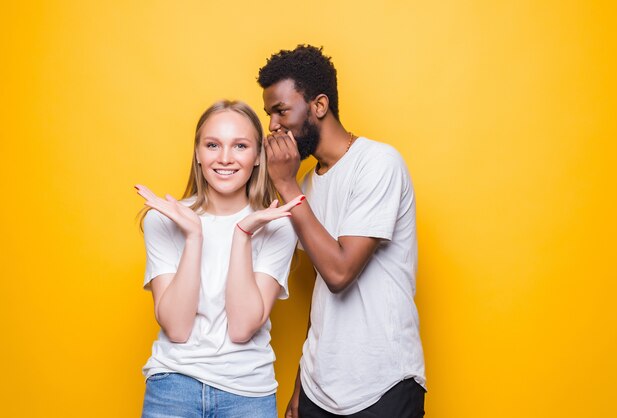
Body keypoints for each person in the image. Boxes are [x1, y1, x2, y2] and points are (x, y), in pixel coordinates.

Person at [258, 45, 426, 417]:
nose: (272, 126)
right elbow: (323, 290)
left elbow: (339, 272)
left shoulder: (378, 163)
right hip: (320, 389)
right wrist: (302, 384)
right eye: (269, 114)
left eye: (281, 110)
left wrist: (285, 187)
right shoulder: (305, 185)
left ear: (319, 105)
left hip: (383, 386)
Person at [135, 100, 301, 418]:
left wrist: (242, 235)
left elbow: (241, 328)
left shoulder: (277, 224)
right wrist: (194, 235)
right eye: (213, 145)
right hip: (172, 388)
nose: (225, 158)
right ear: (198, 153)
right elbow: (177, 328)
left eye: (240, 145)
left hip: (248, 395)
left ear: (257, 157)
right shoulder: (164, 220)